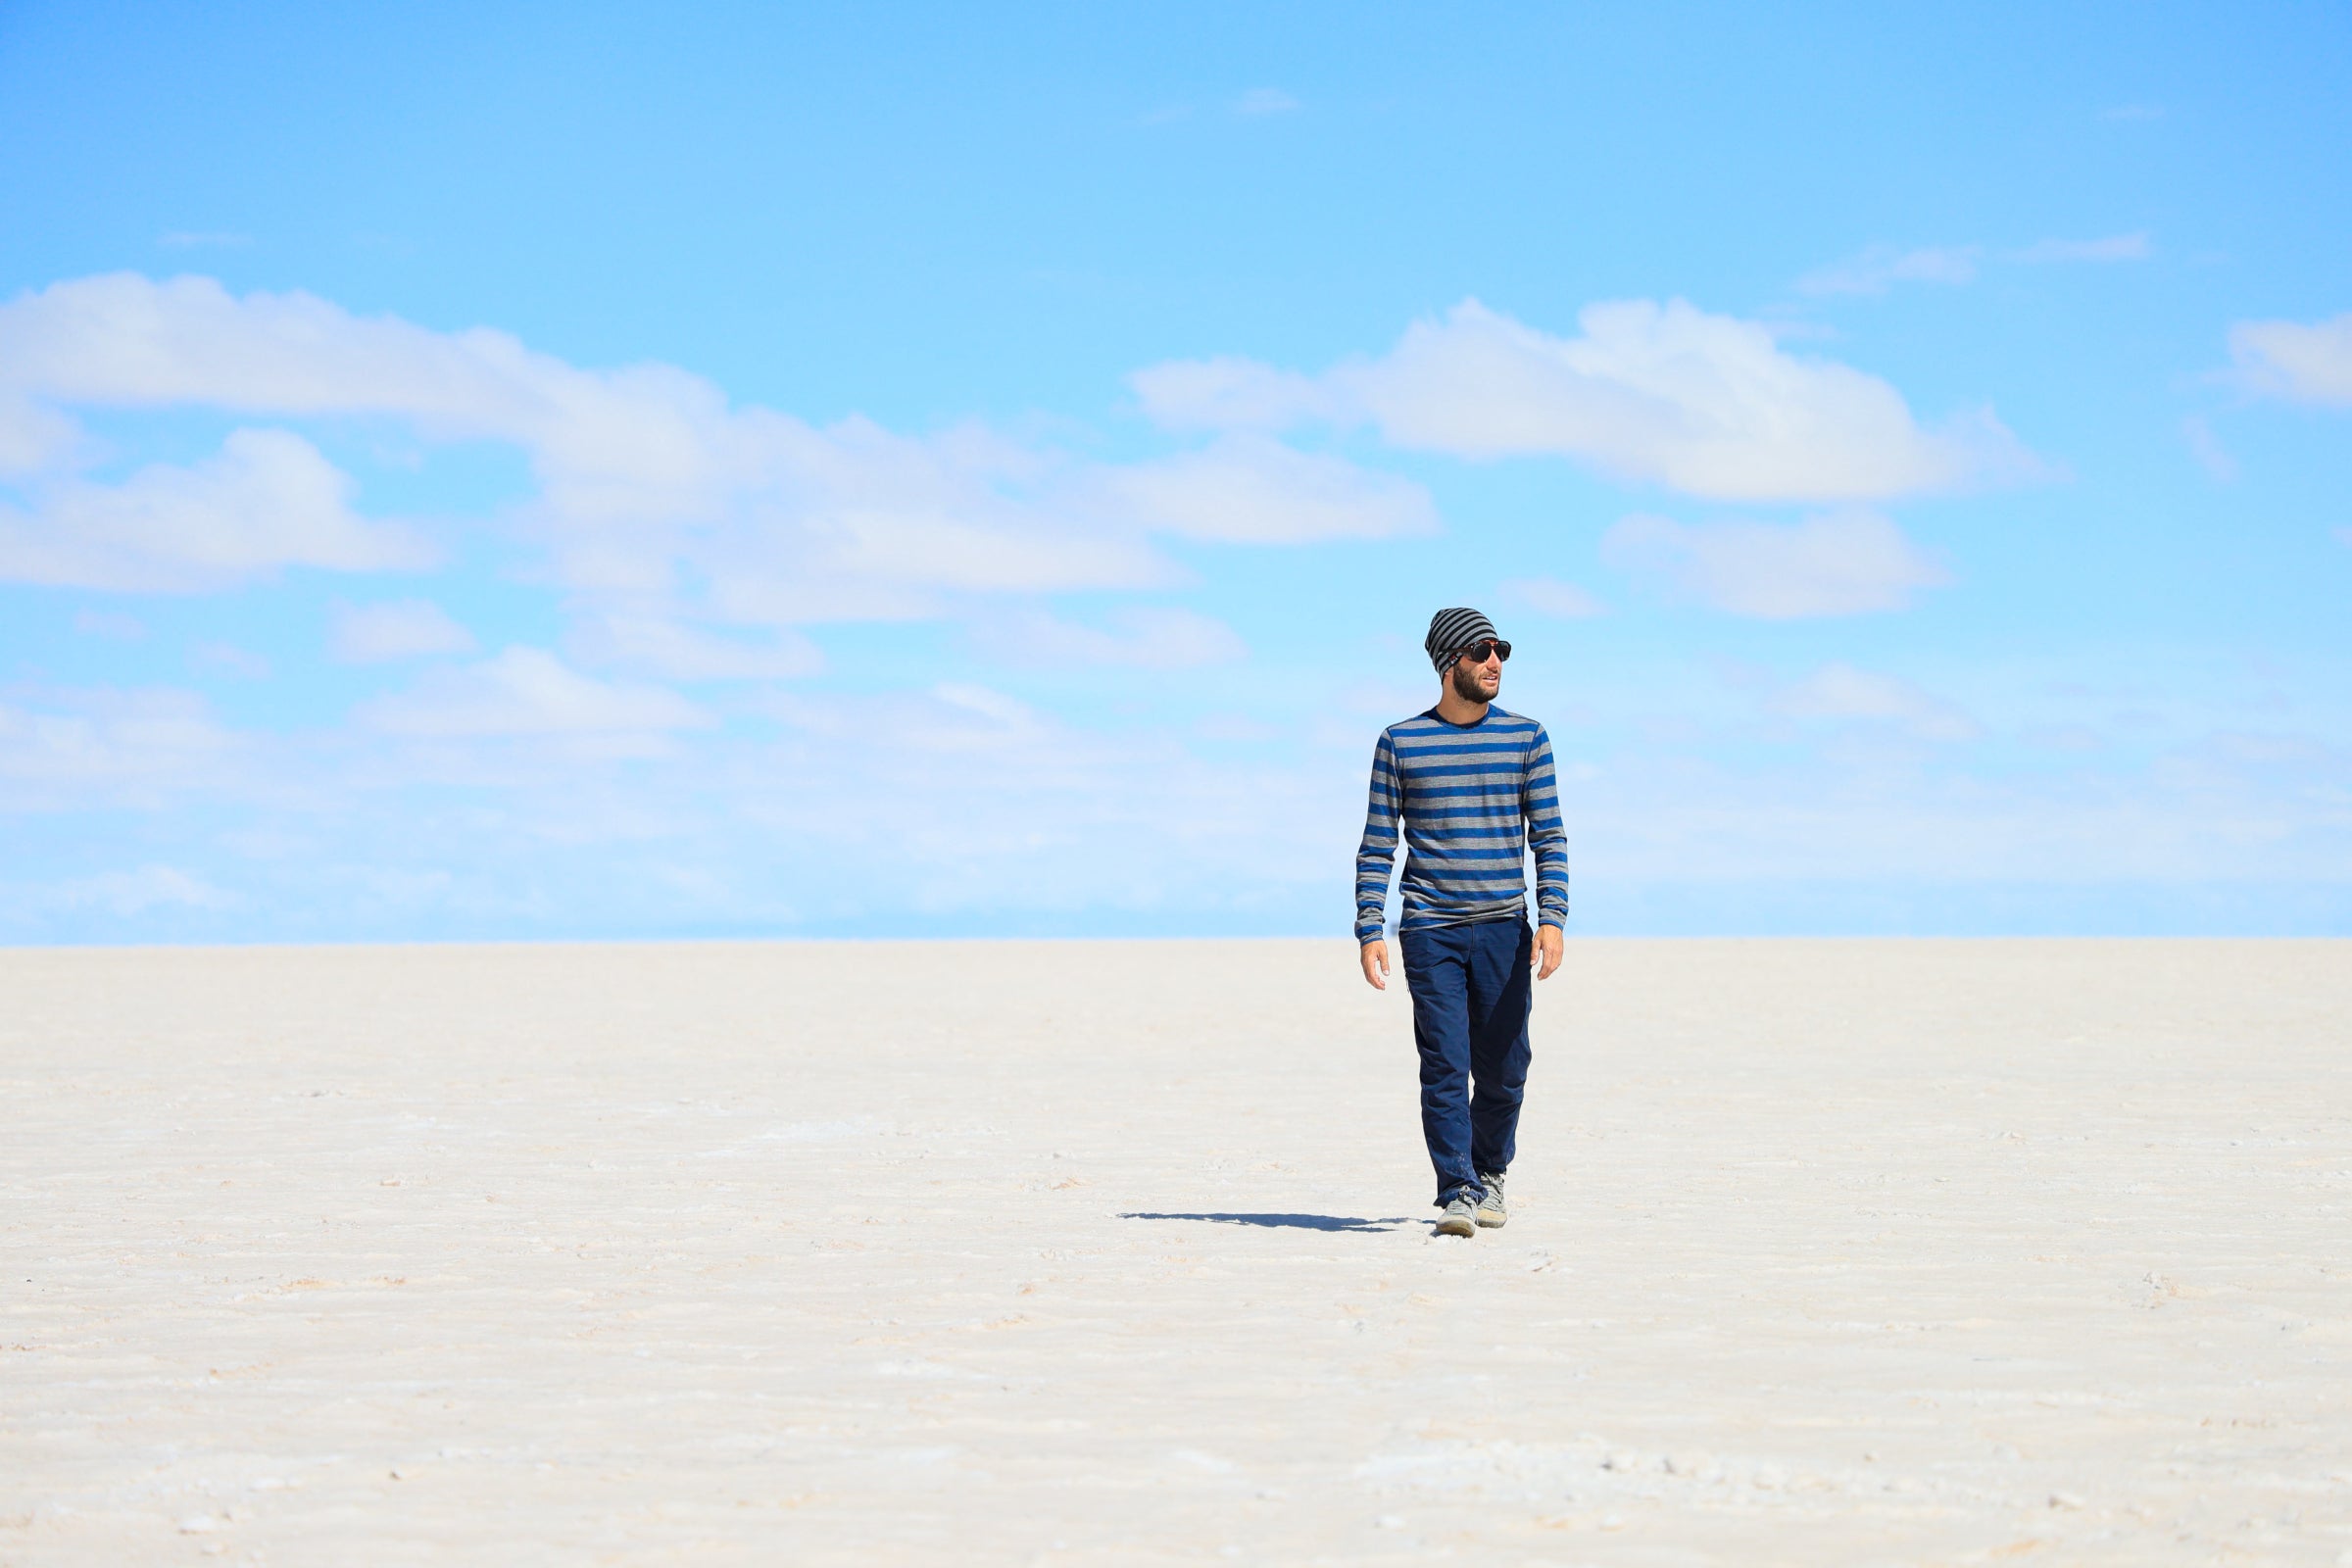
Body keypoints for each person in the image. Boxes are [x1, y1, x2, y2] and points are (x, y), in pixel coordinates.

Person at [1354, 608, 1568, 1238]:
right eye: (1481, 651)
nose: (1495, 661)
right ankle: (1456, 1190)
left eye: (1501, 650)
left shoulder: (1528, 738)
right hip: (1430, 929)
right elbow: (1376, 846)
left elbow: (1550, 837)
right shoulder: (1400, 742)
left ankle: (1490, 1171)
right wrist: (1371, 927)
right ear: (1451, 664)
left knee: (1505, 1066)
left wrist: (1552, 919)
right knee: (1445, 1062)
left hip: (1506, 926)